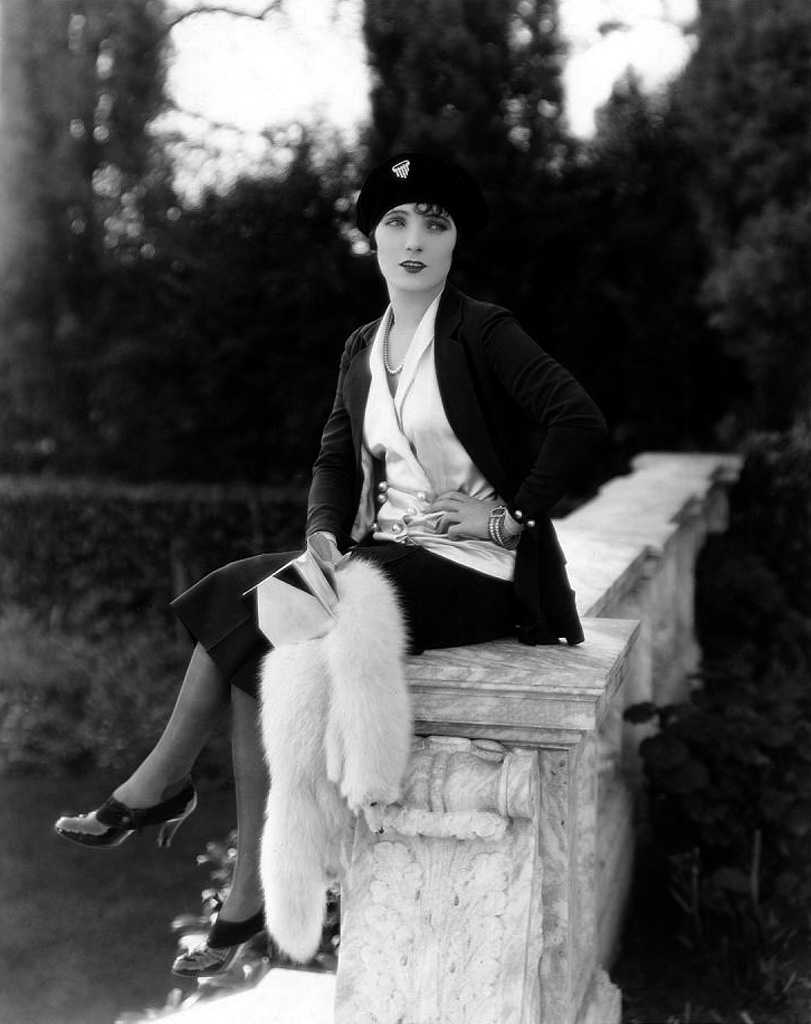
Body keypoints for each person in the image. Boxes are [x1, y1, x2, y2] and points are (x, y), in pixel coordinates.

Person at [54, 152, 607, 976]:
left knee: (251, 599)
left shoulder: (482, 331)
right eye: (396, 222)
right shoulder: (361, 347)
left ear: (454, 242)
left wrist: (507, 515)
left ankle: (164, 786)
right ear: (371, 240)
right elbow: (335, 459)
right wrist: (321, 529)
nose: (413, 240)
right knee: (252, 622)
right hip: (389, 559)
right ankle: (245, 891)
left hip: (480, 574)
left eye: (434, 224)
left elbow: (577, 418)